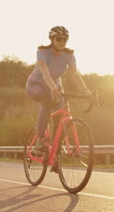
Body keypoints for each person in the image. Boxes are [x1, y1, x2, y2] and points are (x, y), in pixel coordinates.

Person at [25, 26, 91, 161]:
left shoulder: (69, 54)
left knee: (63, 111)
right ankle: (41, 140)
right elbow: (44, 71)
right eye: (59, 39)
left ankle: (56, 150)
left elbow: (74, 74)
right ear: (52, 39)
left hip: (55, 84)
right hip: (36, 84)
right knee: (48, 100)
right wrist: (52, 87)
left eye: (65, 39)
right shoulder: (42, 51)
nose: (62, 42)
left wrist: (86, 92)